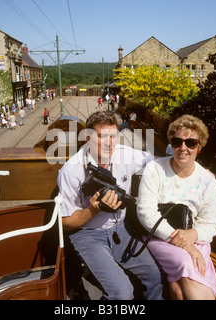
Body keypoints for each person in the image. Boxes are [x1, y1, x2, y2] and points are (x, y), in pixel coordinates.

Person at [57, 111, 163, 300]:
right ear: (88, 138)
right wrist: (93, 210)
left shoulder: (125, 155)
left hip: (121, 229)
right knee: (122, 293)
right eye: (101, 136)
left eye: (113, 136)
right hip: (88, 235)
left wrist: (199, 170)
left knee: (155, 275)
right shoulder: (70, 172)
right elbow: (66, 222)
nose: (109, 142)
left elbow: (157, 163)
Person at [137, 114, 216, 300]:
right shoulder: (155, 169)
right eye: (177, 142)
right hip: (159, 236)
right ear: (171, 144)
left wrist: (192, 236)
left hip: (194, 239)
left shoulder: (208, 183)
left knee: (180, 292)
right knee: (185, 261)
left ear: (199, 147)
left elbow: (210, 225)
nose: (183, 148)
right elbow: (146, 214)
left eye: (190, 143)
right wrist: (185, 244)